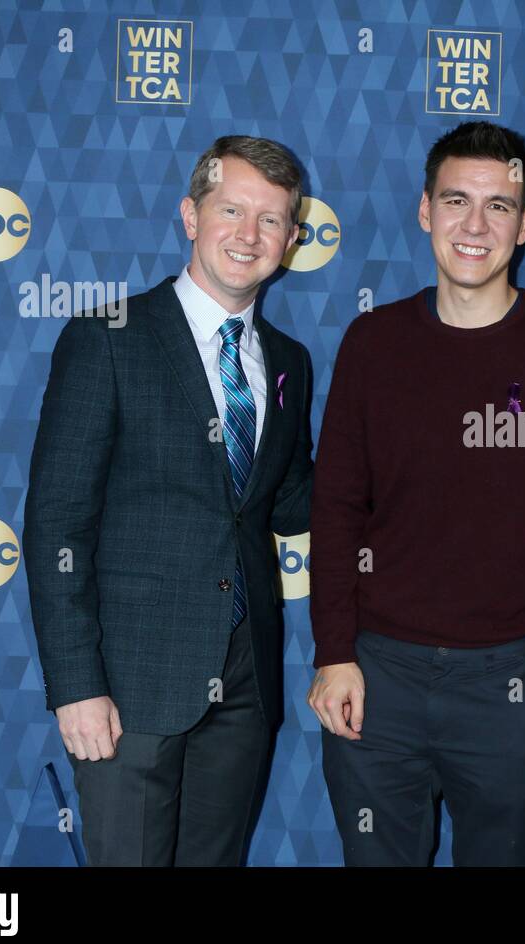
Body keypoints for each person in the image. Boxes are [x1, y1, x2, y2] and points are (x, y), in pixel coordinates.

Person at [308, 121, 525, 866]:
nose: (474, 225)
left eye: (498, 205)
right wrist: (334, 653)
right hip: (374, 676)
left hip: (511, 685)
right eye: (456, 200)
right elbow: (336, 507)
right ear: (425, 211)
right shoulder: (373, 345)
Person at [23, 135, 315, 866]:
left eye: (271, 219)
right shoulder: (109, 338)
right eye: (231, 210)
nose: (249, 236)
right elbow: (57, 523)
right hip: (129, 688)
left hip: (245, 682)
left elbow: (286, 505)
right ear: (191, 215)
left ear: (292, 238)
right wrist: (76, 686)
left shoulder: (288, 363)